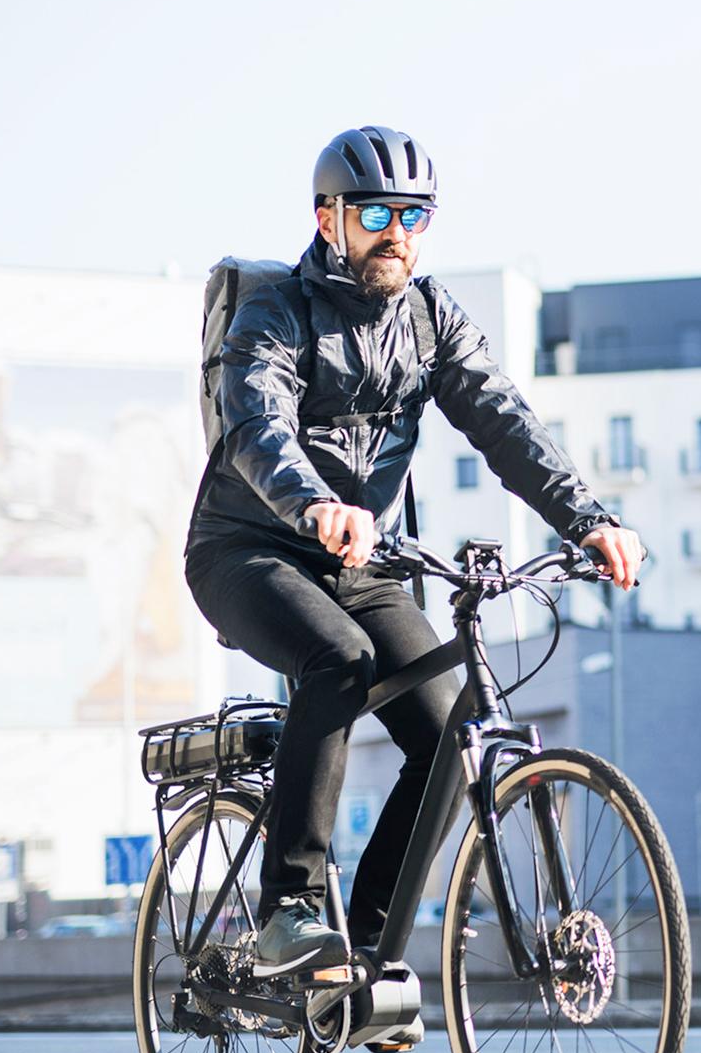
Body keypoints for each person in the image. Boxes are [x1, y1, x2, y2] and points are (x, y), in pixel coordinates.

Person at [186, 126, 645, 979]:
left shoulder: (431, 319)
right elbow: (257, 425)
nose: (396, 232)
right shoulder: (275, 313)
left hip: (360, 564)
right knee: (338, 659)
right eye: (375, 215)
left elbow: (505, 423)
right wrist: (313, 504)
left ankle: (361, 953)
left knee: (445, 734)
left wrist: (586, 520)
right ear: (329, 218)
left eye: (413, 215)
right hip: (247, 549)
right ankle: (288, 910)